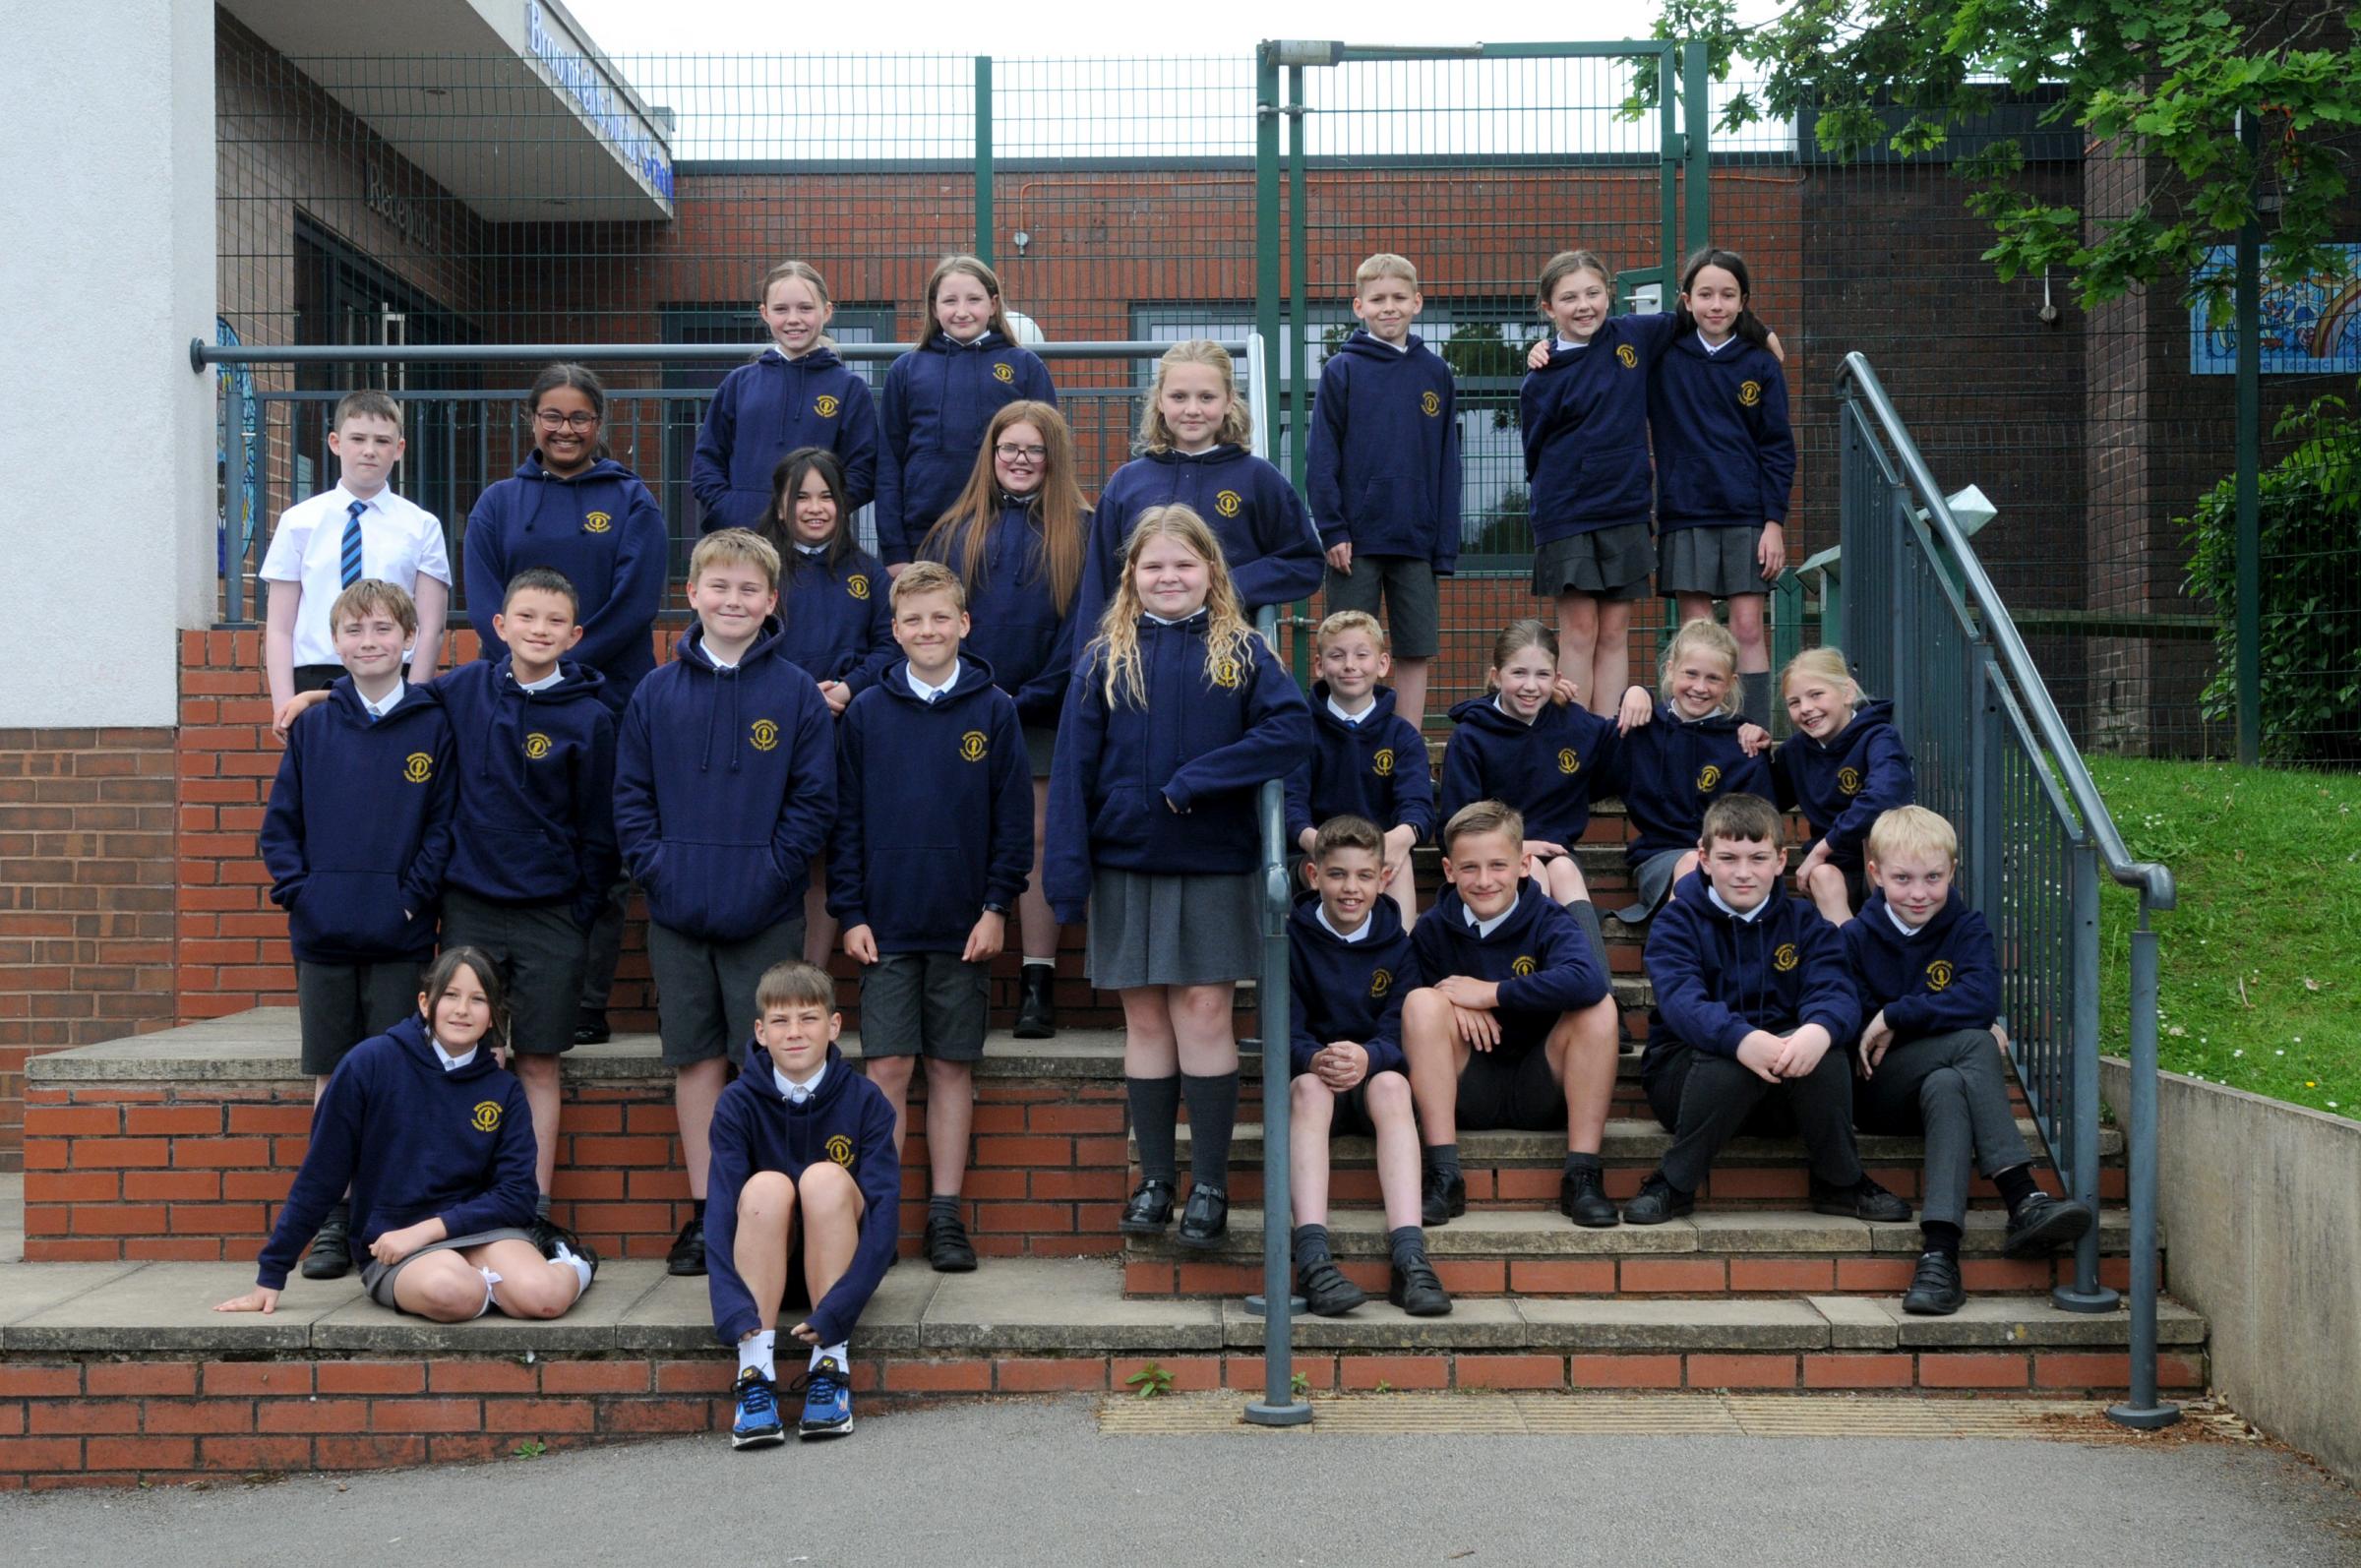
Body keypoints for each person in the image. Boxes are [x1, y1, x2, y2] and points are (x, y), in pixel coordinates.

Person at [273, 570, 618, 1248]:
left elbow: (600, 830)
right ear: (499, 625)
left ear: (575, 635)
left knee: (540, 1062)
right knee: (467, 1060)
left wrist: (580, 907)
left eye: (555, 621)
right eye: (526, 616)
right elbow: (386, 700)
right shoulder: (461, 692)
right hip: (470, 910)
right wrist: (322, 695)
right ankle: (460, 1200)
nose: (539, 630)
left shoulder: (592, 716)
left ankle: (531, 1205)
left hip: (552, 915)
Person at [1047, 505, 1313, 1247]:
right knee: (1146, 1021)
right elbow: (1070, 773)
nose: (1169, 577)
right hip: (1127, 863)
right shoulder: (1104, 657)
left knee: (1203, 1012)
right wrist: (1066, 876)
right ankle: (1157, 1179)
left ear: (1211, 573)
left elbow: (1291, 731)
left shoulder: (1245, 653)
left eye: (1184, 565)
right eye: (1154, 566)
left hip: (1213, 865)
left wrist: (1200, 777)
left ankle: (1211, 1186)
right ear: (1131, 575)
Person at [613, 529, 835, 1279]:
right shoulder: (654, 692)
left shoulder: (796, 692)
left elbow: (813, 804)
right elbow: (631, 800)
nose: (732, 600)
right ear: (693, 593)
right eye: (720, 587)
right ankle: (711, 1211)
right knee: (696, 1064)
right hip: (676, 915)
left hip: (764, 914)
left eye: (749, 590)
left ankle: (764, 1213)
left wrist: (770, 876)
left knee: (771, 1063)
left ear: (771, 602)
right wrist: (659, 875)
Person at [214, 947, 597, 1323]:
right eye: (450, 995)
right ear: (425, 1003)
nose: (462, 1009)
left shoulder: (503, 1090)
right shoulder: (370, 1063)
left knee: (543, 1298)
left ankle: (574, 1264)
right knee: (453, 1292)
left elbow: (517, 1195)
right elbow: (321, 1175)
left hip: (481, 1230)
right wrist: (272, 1272)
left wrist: (428, 1230)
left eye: (478, 1000)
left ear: (494, 1015)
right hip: (393, 1239)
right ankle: (488, 1287)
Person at [830, 562, 1031, 1273]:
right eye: (913, 621)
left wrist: (998, 906)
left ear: (964, 624)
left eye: (940, 618)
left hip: (963, 925)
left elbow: (1013, 822)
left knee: (950, 1068)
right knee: (885, 1068)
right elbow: (844, 821)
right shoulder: (866, 714)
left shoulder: (993, 710)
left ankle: (944, 1216)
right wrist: (849, 911)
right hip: (884, 924)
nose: (928, 631)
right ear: (895, 630)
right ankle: (879, 1216)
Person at [460, 363, 667, 1049]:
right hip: (511, 701)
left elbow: (636, 604)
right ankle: (501, 1000)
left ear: (599, 424)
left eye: (580, 417)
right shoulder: (498, 503)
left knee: (601, 854)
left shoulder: (632, 501)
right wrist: (528, 670)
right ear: (532, 420)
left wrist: (564, 668)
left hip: (608, 700)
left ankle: (585, 997)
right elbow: (488, 599)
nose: (566, 429)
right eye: (553, 415)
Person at [258, 578, 456, 1280]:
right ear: (334, 643)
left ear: (409, 640)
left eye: (383, 630)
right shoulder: (313, 726)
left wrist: (411, 902)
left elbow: (441, 828)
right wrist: (304, 898)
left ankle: (390, 1213)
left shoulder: (434, 725)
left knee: (399, 1075)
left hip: (401, 938)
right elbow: (280, 831)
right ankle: (334, 1220)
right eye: (355, 631)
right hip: (325, 938)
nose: (369, 643)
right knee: (335, 1080)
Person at [1846, 806, 2093, 1314]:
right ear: (1875, 874)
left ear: (1952, 872)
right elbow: (1856, 1025)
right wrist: (1937, 1018)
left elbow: (1980, 1000)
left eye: (1934, 877)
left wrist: (1896, 1014)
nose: (1919, 892)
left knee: (1949, 1084)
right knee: (1977, 1042)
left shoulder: (1967, 928)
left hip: (1939, 1092)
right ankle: (2021, 1194)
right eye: (1903, 878)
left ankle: (1939, 1257)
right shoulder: (1853, 939)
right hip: (1877, 1090)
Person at [1627, 793, 1910, 1226]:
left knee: (1827, 1049)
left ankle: (1839, 1182)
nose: (1743, 873)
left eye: (1757, 858)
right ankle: (1674, 1182)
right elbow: (1681, 1000)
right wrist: (1741, 1040)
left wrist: (1819, 1030)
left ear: (1780, 861)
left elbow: (1836, 991)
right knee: (1729, 1059)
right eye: (1728, 858)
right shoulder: (1678, 920)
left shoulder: (1806, 923)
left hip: (1786, 1086)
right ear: (1703, 859)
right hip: (1689, 1079)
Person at [919, 400, 1089, 1039]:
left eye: (1034, 449)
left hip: (1045, 712)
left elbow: (1087, 632)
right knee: (964, 837)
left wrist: (1030, 697)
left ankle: (1037, 984)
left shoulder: (1085, 528)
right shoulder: (951, 531)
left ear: (1054, 458)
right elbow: (932, 620)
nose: (1020, 459)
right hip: (962, 709)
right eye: (1008, 448)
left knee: (1039, 842)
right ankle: (957, 981)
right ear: (990, 456)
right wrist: (977, 694)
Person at [1399, 800, 1624, 1231]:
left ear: (1523, 865)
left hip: (1543, 1083)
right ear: (1448, 870)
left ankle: (1582, 1175)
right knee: (1422, 1003)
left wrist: (1492, 994)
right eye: (1469, 868)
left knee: (1599, 1009)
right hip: (1468, 1085)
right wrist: (1451, 1001)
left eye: (1498, 866)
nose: (1484, 881)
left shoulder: (1548, 918)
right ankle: (1444, 1174)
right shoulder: (1431, 929)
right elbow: (1403, 1009)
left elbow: (1589, 980)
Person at [706, 961, 900, 1446]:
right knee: (767, 1186)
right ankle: (755, 1376)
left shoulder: (866, 1100)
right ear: (760, 1031)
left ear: (834, 1026)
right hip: (761, 1269)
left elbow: (884, 1215)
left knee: (824, 1179)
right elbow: (719, 1211)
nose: (794, 1032)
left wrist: (843, 1307)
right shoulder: (736, 1102)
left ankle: (830, 1368)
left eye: (808, 1018)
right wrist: (731, 1308)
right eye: (780, 1020)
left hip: (836, 1273)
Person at [1286, 815, 1447, 1317]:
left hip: (1372, 1079)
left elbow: (1400, 1029)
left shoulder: (1400, 945)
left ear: (1383, 878)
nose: (1350, 889)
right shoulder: (1291, 940)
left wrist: (1369, 1057)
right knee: (1310, 1089)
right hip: (1317, 1082)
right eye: (1337, 875)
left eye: (1363, 876)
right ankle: (1312, 1258)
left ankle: (1409, 1258)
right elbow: (1282, 1029)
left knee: (1395, 1087)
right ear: (1314, 876)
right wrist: (1315, 1056)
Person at [1519, 250, 1680, 715]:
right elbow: (1536, 450)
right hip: (1567, 513)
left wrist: (1762, 334)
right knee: (1581, 631)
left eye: (1592, 292)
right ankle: (1576, 742)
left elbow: (1698, 315)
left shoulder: (1635, 334)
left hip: (1625, 508)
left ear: (1608, 294)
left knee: (1614, 632)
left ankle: (1611, 740)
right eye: (1569, 298)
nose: (1583, 305)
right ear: (1549, 308)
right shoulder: (1541, 376)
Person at [1074, 339, 1324, 636]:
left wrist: (1226, 584)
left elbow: (1304, 562)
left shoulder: (1258, 478)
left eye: (1207, 397)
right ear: (1159, 400)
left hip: (1228, 649)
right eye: (1179, 397)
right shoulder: (1127, 483)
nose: (1192, 409)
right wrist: (1086, 672)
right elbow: (1098, 586)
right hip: (1140, 652)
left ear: (1230, 400)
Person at [1305, 253, 1461, 730]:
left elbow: (1447, 466)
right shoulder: (1342, 370)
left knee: (1415, 648)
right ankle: (1352, 734)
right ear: (1359, 306)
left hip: (1416, 538)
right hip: (1354, 543)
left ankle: (1407, 743)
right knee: (1349, 648)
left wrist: (1444, 545)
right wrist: (1332, 529)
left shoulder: (1436, 373)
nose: (1388, 308)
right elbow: (1321, 459)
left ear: (1417, 302)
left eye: (1398, 298)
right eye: (1377, 299)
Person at [757, 446, 895, 968]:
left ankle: (808, 978)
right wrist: (798, 694)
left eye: (827, 496)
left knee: (828, 856)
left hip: (844, 733)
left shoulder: (868, 573)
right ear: (780, 506)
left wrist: (848, 688)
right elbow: (747, 639)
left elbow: (889, 645)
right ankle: (772, 980)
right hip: (773, 734)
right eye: (802, 497)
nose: (815, 508)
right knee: (784, 850)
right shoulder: (762, 570)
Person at [1649, 247, 1796, 727]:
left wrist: (1773, 522)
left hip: (1746, 515)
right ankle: (1696, 730)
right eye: (1706, 294)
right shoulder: (1664, 356)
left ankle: (1752, 733)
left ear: (1743, 301)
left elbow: (1777, 448)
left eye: (1728, 295)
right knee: (1697, 633)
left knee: (1748, 628)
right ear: (1686, 300)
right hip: (1685, 510)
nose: (1717, 305)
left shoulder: (1760, 364)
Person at [1438, 619, 1620, 975]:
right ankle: (1531, 988)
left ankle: (1598, 996)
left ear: (1557, 678)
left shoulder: (1573, 722)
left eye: (1542, 675)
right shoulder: (1471, 737)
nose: (1531, 686)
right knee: (1531, 868)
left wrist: (1636, 697)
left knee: (1565, 870)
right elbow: (1453, 827)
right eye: (1519, 673)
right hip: (1491, 861)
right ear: (1496, 675)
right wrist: (1516, 847)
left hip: (1558, 854)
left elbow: (1619, 753)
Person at [261, 390, 450, 726]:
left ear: (399, 449)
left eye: (382, 441)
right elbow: (279, 626)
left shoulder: (422, 526)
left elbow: (431, 625)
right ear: (335, 442)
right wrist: (284, 704)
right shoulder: (298, 522)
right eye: (358, 438)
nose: (369, 450)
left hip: (393, 675)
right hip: (314, 674)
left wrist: (415, 698)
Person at [876, 254, 1057, 572]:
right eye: (950, 301)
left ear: (994, 303)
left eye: (974, 299)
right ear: (934, 308)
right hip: (925, 533)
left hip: (1004, 530)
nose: (962, 311)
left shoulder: (1025, 367)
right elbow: (889, 462)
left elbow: (1051, 456)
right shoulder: (906, 370)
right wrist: (895, 552)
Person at [693, 260, 880, 530]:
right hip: (742, 537)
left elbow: (863, 470)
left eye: (805, 308)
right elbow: (707, 459)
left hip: (816, 545)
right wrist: (728, 507)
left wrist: (818, 515)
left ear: (826, 311)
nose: (794, 319)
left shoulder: (849, 388)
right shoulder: (738, 383)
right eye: (781, 309)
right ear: (765, 313)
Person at [1607, 618, 1773, 925]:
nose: (1700, 687)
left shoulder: (1742, 742)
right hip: (1662, 858)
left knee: (1710, 867)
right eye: (1691, 674)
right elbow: (1582, 750)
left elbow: (1761, 819)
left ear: (1730, 683)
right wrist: (1632, 691)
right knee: (1689, 866)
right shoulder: (1643, 728)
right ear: (1670, 669)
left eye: (1713, 678)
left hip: (1728, 858)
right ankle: (1674, 962)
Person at [1284, 610, 1435, 924]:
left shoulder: (1402, 735)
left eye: (1361, 655)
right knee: (1337, 870)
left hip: (1379, 854)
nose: (1350, 665)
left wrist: (1396, 840)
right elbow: (1290, 806)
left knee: (1401, 859)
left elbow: (1418, 806)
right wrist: (1321, 845)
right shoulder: (1300, 732)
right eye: (1337, 655)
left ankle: (1400, 958)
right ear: (1319, 665)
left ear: (1382, 665)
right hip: (1317, 854)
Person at [1773, 646, 1916, 925]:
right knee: (1822, 875)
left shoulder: (1878, 737)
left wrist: (1822, 848)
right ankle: (1849, 949)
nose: (1806, 709)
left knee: (1874, 836)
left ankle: (1886, 934)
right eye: (1794, 702)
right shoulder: (1794, 753)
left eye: (1816, 694)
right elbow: (1763, 799)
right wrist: (1746, 742)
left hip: (1883, 863)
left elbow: (1884, 796)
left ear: (1848, 692)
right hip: (1833, 871)